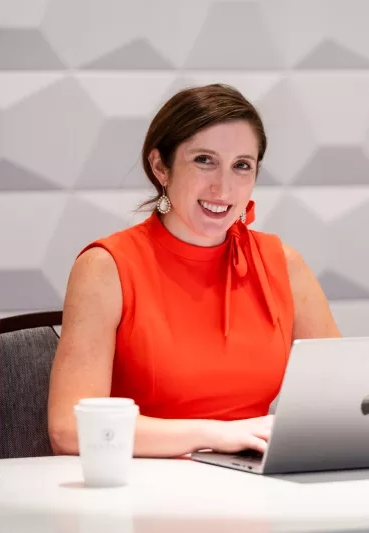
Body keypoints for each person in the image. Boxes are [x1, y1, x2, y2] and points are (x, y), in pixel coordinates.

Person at [47, 83, 341, 459]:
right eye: (204, 160)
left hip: (256, 491)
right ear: (160, 167)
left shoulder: (282, 264)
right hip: (140, 493)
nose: (223, 187)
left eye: (241, 166)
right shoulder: (106, 266)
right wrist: (215, 434)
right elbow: (69, 430)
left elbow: (344, 399)